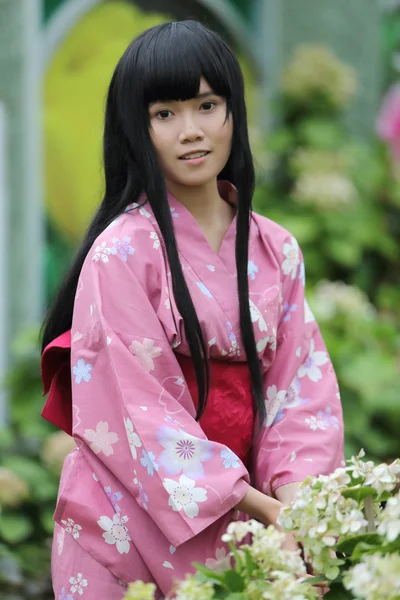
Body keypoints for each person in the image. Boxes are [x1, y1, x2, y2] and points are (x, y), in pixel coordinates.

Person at [40, 20, 344, 600]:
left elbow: (301, 392)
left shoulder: (276, 249)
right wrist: (260, 509)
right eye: (165, 114)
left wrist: (301, 502)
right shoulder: (121, 252)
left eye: (207, 105)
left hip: (254, 503)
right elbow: (140, 413)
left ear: (235, 111)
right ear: (137, 127)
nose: (191, 131)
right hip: (126, 515)